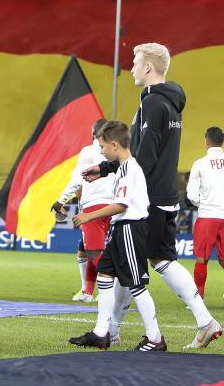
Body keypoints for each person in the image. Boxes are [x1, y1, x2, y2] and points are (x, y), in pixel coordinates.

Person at [82, 43, 221, 349]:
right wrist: (106, 168)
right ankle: (201, 320)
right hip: (164, 193)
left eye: (135, 63)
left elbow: (144, 156)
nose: (131, 68)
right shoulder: (171, 104)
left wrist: (110, 171)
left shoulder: (152, 104)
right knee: (151, 260)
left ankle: (122, 332)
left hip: (146, 199)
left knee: (126, 264)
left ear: (148, 67)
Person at [68, 121, 165, 352]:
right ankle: (102, 333)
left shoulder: (129, 169)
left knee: (137, 284)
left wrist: (88, 216)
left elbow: (121, 205)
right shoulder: (122, 167)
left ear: (114, 145)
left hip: (131, 229)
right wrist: (100, 170)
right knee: (104, 273)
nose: (101, 151)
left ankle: (156, 339)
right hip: (122, 229)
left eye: (102, 147)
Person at [185, 126, 224, 302]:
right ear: (223, 141)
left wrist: (203, 203)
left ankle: (199, 298)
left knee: (202, 259)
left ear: (206, 141)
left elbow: (191, 194)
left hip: (207, 216)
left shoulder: (199, 164)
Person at [52, 117, 108, 302]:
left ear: (93, 133)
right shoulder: (115, 152)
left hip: (93, 207)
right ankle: (88, 291)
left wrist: (60, 201)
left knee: (93, 252)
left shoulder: (89, 151)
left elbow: (78, 178)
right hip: (113, 207)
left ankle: (111, 283)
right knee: (87, 250)